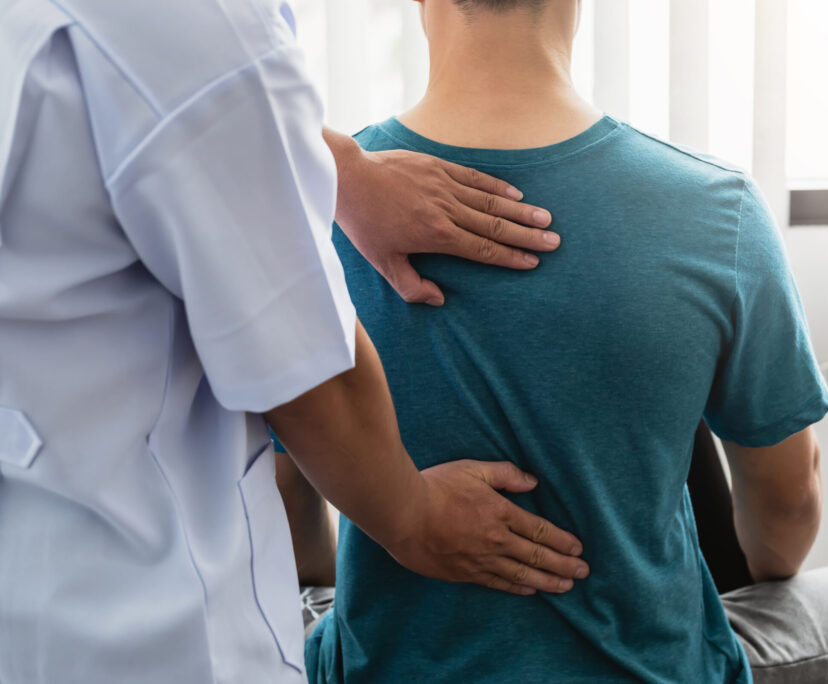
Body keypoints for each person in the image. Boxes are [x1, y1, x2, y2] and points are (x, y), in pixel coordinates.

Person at [289, 1, 828, 682]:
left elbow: (294, 514)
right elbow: (786, 508)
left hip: (386, 668)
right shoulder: (715, 209)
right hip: (653, 668)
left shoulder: (310, 207)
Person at [0, 1, 593, 682]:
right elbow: (312, 378)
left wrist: (335, 162)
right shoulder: (199, 25)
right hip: (140, 626)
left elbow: (141, 100)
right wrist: (415, 516)